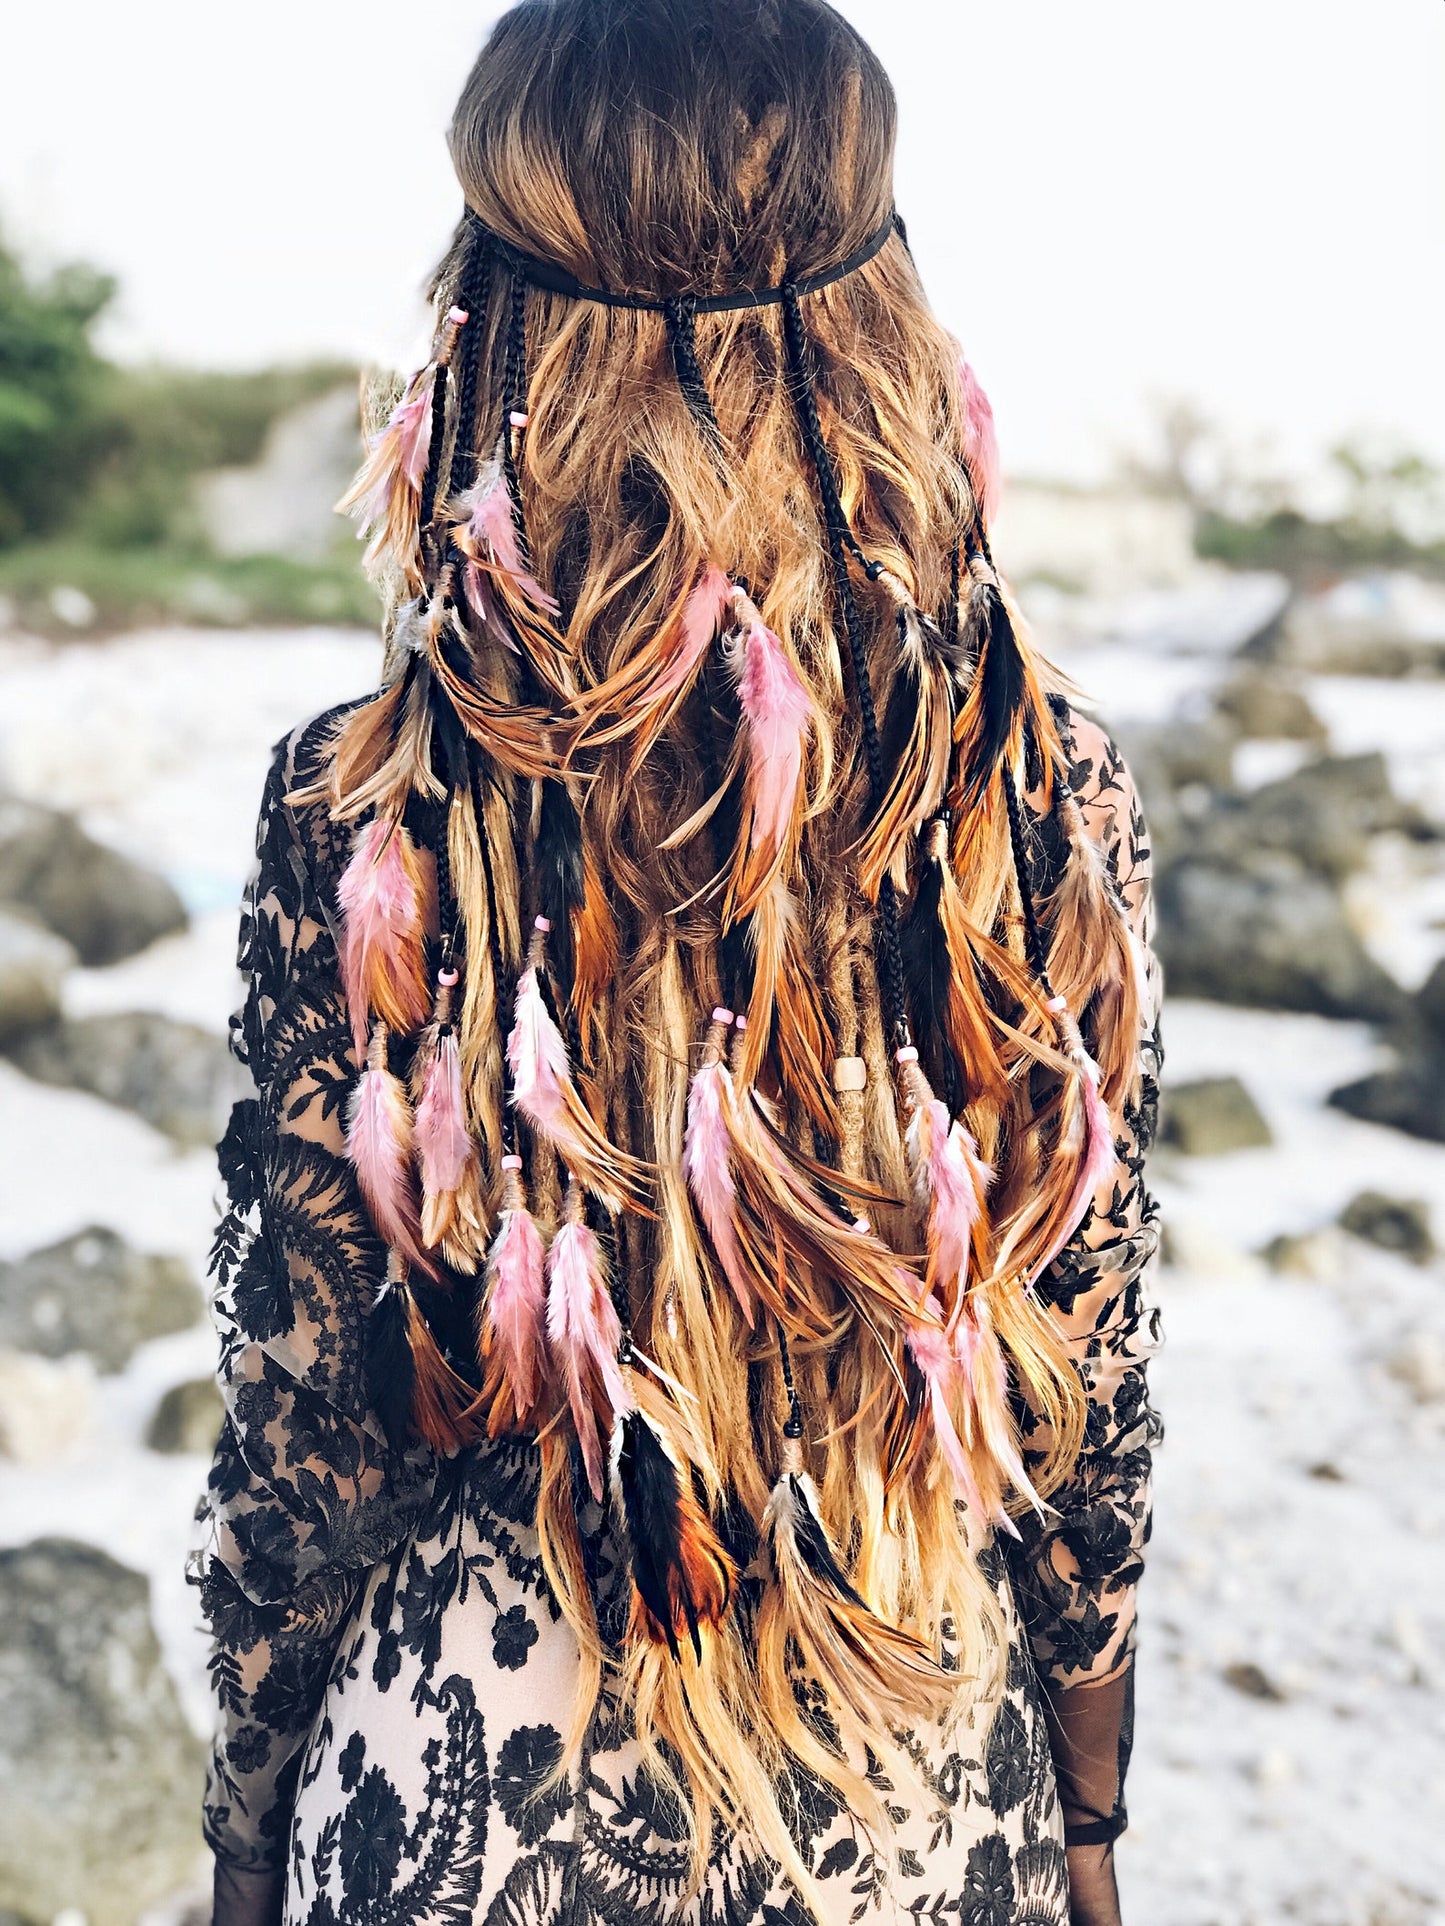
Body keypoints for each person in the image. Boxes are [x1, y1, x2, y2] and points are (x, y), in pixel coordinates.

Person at [193, 4, 1162, 1923]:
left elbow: (309, 1414)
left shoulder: (363, 802)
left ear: (488, 322)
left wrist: (244, 1819)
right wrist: (1088, 1811)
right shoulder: (1025, 788)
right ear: (882, 322)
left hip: (460, 1798)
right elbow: (1083, 1370)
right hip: (902, 1787)